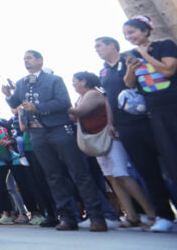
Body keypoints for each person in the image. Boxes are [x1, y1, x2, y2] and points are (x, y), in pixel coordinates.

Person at [4, 50, 107, 231]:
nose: (26, 61)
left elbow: (63, 103)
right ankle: (68, 217)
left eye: (29, 58)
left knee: (79, 172)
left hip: (59, 129)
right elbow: (14, 104)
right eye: (24, 59)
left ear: (40, 60)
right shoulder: (21, 83)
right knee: (53, 176)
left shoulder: (54, 80)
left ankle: (97, 217)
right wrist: (8, 96)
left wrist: (37, 107)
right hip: (37, 134)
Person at [95, 35, 175, 231]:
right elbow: (108, 99)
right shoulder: (104, 71)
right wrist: (111, 123)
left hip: (148, 120)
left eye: (99, 46)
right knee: (147, 171)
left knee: (169, 167)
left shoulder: (130, 58)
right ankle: (163, 215)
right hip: (125, 126)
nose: (96, 49)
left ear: (112, 45)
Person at [68, 71, 157, 229]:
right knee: (112, 177)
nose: (73, 83)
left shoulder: (93, 94)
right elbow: (75, 117)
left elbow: (80, 112)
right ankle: (132, 216)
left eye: (75, 80)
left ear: (84, 81)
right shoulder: (81, 97)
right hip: (98, 140)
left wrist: (60, 105)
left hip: (109, 137)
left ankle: (152, 214)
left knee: (121, 174)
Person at [122, 16, 177, 206]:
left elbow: (168, 70)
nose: (129, 37)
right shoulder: (132, 55)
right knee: (171, 160)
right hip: (155, 112)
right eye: (125, 35)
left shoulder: (165, 45)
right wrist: (130, 69)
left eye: (132, 32)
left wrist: (144, 55)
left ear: (145, 30)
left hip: (173, 106)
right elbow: (129, 84)